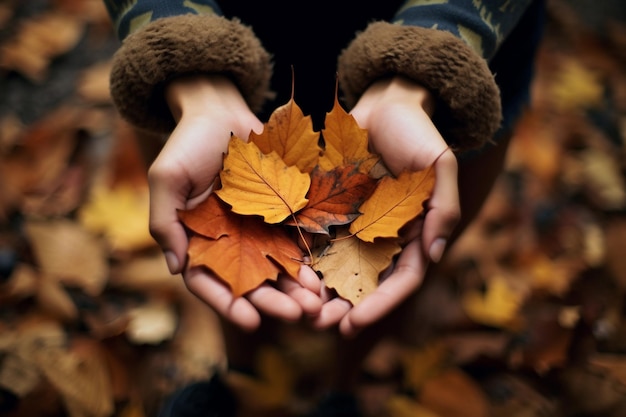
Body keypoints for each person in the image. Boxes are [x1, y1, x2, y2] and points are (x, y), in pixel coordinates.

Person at [103, 0, 546, 415]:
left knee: (399, 257)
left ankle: (344, 388)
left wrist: (429, 59)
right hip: (224, 20)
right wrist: (193, 79)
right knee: (224, 237)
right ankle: (242, 382)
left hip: (457, 47)